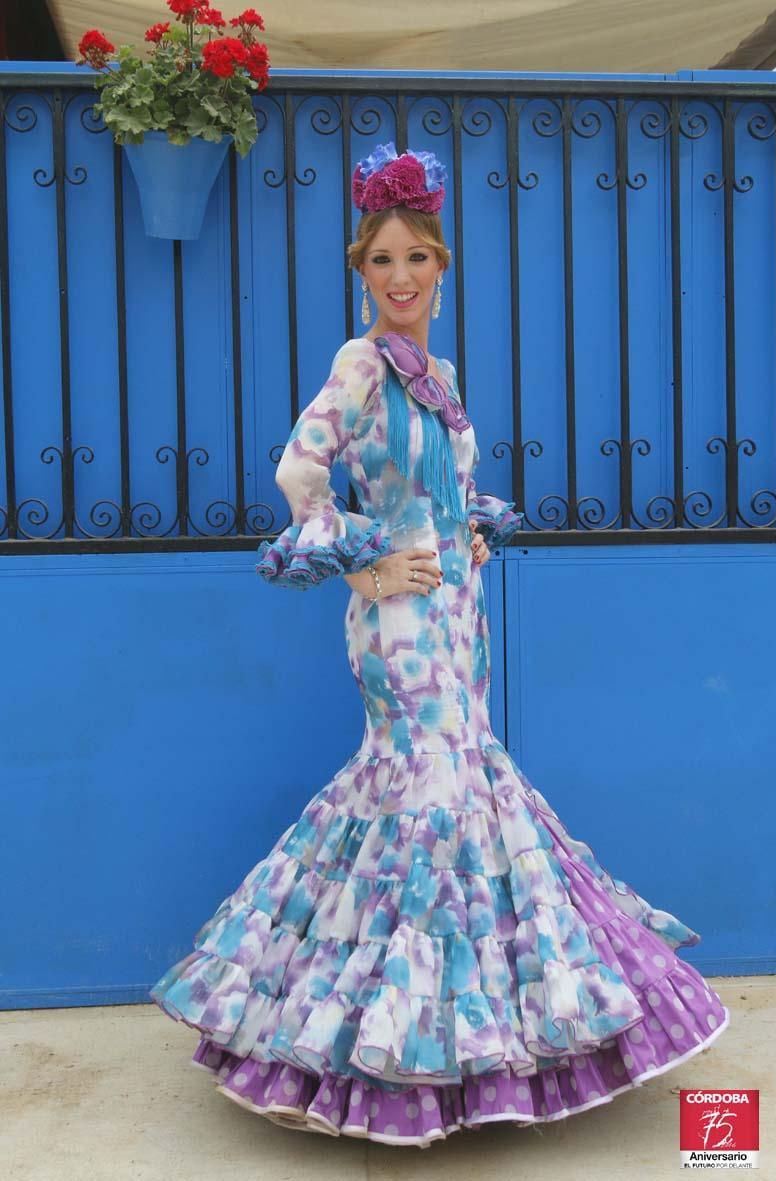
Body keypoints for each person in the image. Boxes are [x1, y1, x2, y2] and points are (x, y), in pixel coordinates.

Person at [149, 142, 730, 1148]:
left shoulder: (438, 372)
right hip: (398, 622)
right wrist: (363, 566)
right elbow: (299, 474)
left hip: (457, 616)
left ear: (442, 266)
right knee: (424, 797)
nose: (401, 276)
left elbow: (432, 483)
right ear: (359, 271)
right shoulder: (361, 360)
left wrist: (463, 526)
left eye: (417, 257)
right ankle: (397, 1051)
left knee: (451, 788)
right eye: (381, 260)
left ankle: (463, 1049)